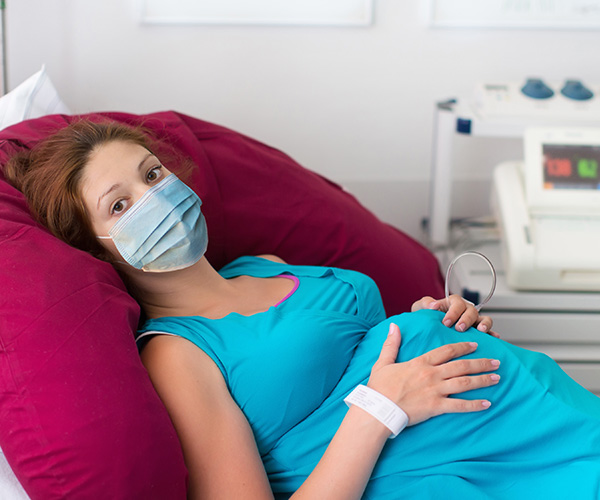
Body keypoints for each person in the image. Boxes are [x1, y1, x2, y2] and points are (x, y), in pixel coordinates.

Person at [5, 119, 600, 500]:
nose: (156, 199)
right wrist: (382, 406)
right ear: (93, 247)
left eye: (153, 174)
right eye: (119, 206)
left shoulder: (262, 263)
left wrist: (431, 322)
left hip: (540, 412)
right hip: (484, 471)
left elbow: (370, 348)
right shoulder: (175, 355)